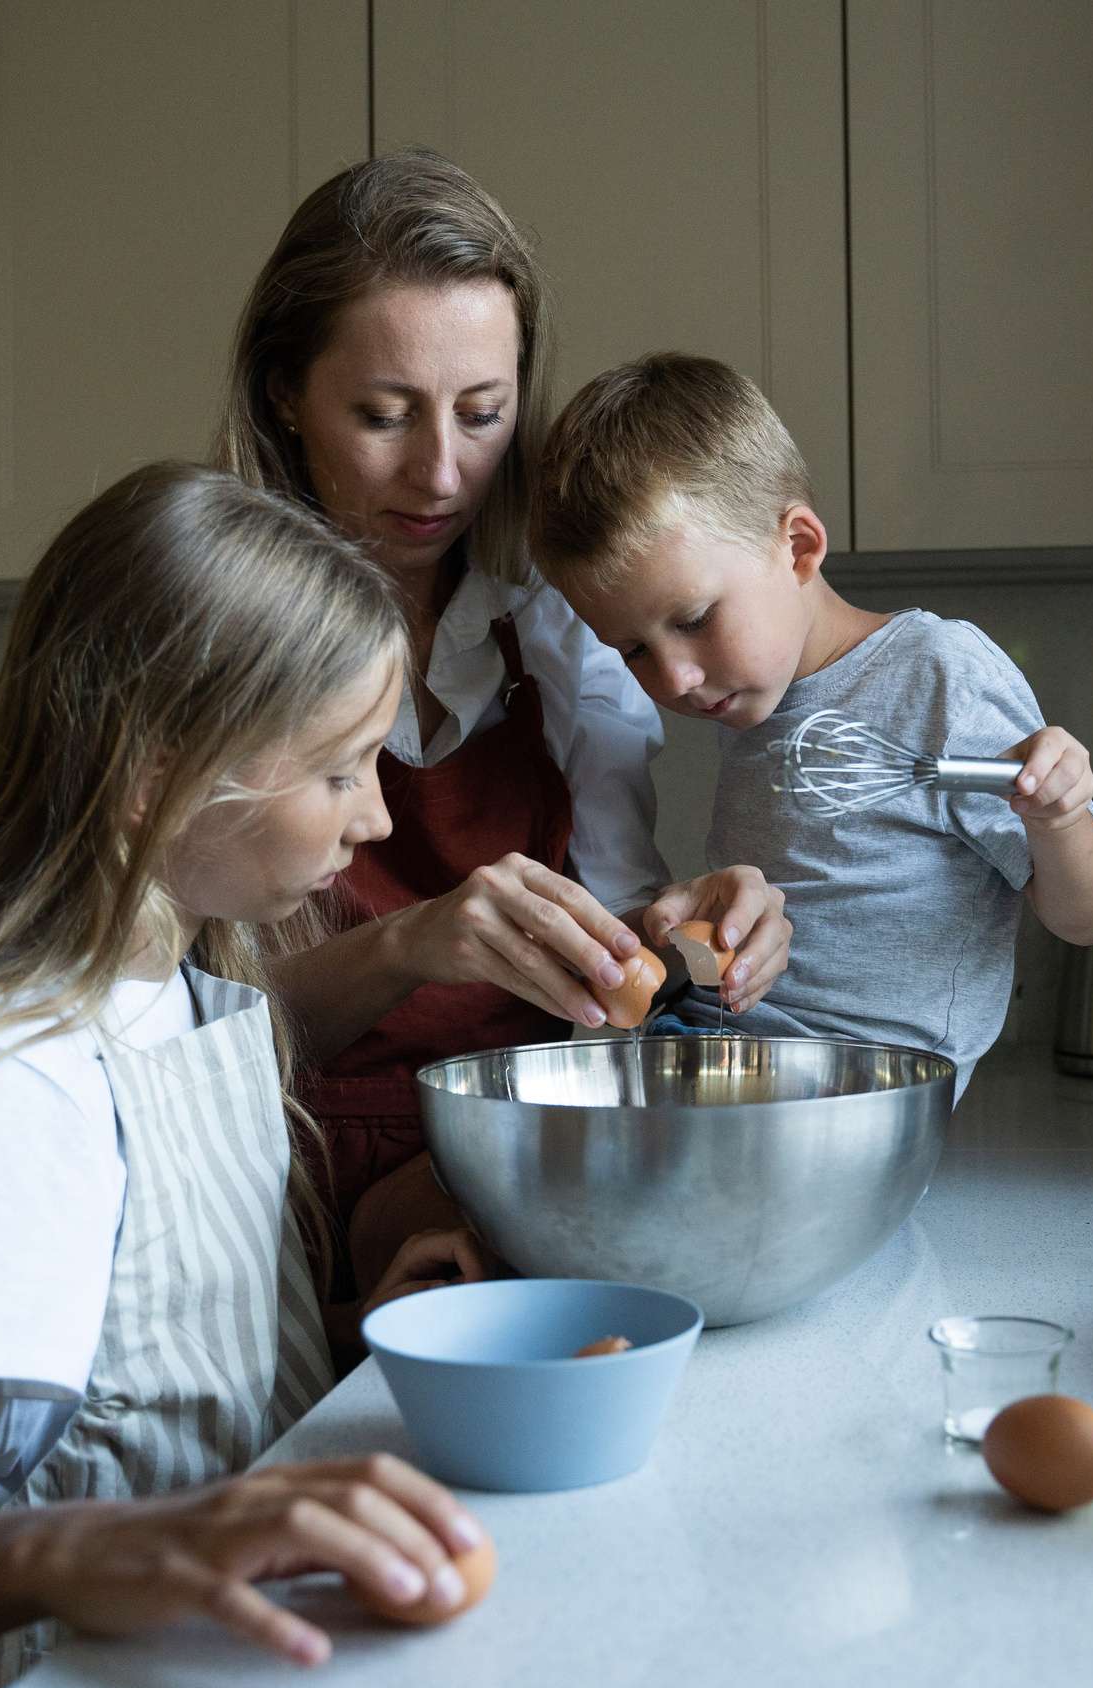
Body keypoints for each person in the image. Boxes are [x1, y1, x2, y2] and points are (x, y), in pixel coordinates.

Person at [0, 465, 492, 1688]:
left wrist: (339, 1334)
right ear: (158, 775)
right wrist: (93, 1550)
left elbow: (133, 1375)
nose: (374, 818)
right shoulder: (17, 1079)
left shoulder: (179, 994)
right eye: (339, 771)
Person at [215, 150, 791, 1280]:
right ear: (284, 395)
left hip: (516, 1185)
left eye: (483, 413)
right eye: (384, 415)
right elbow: (172, 1033)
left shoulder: (560, 639)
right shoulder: (215, 648)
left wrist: (694, 941)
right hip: (270, 1204)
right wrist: (407, 946)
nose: (441, 472)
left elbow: (622, 985)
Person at [528, 355, 1093, 1096]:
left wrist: (1061, 816)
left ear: (799, 547)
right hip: (730, 1054)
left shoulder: (938, 674)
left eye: (694, 619)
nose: (674, 677)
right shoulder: (752, 694)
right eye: (635, 650)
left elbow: (1088, 917)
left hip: (865, 1093)